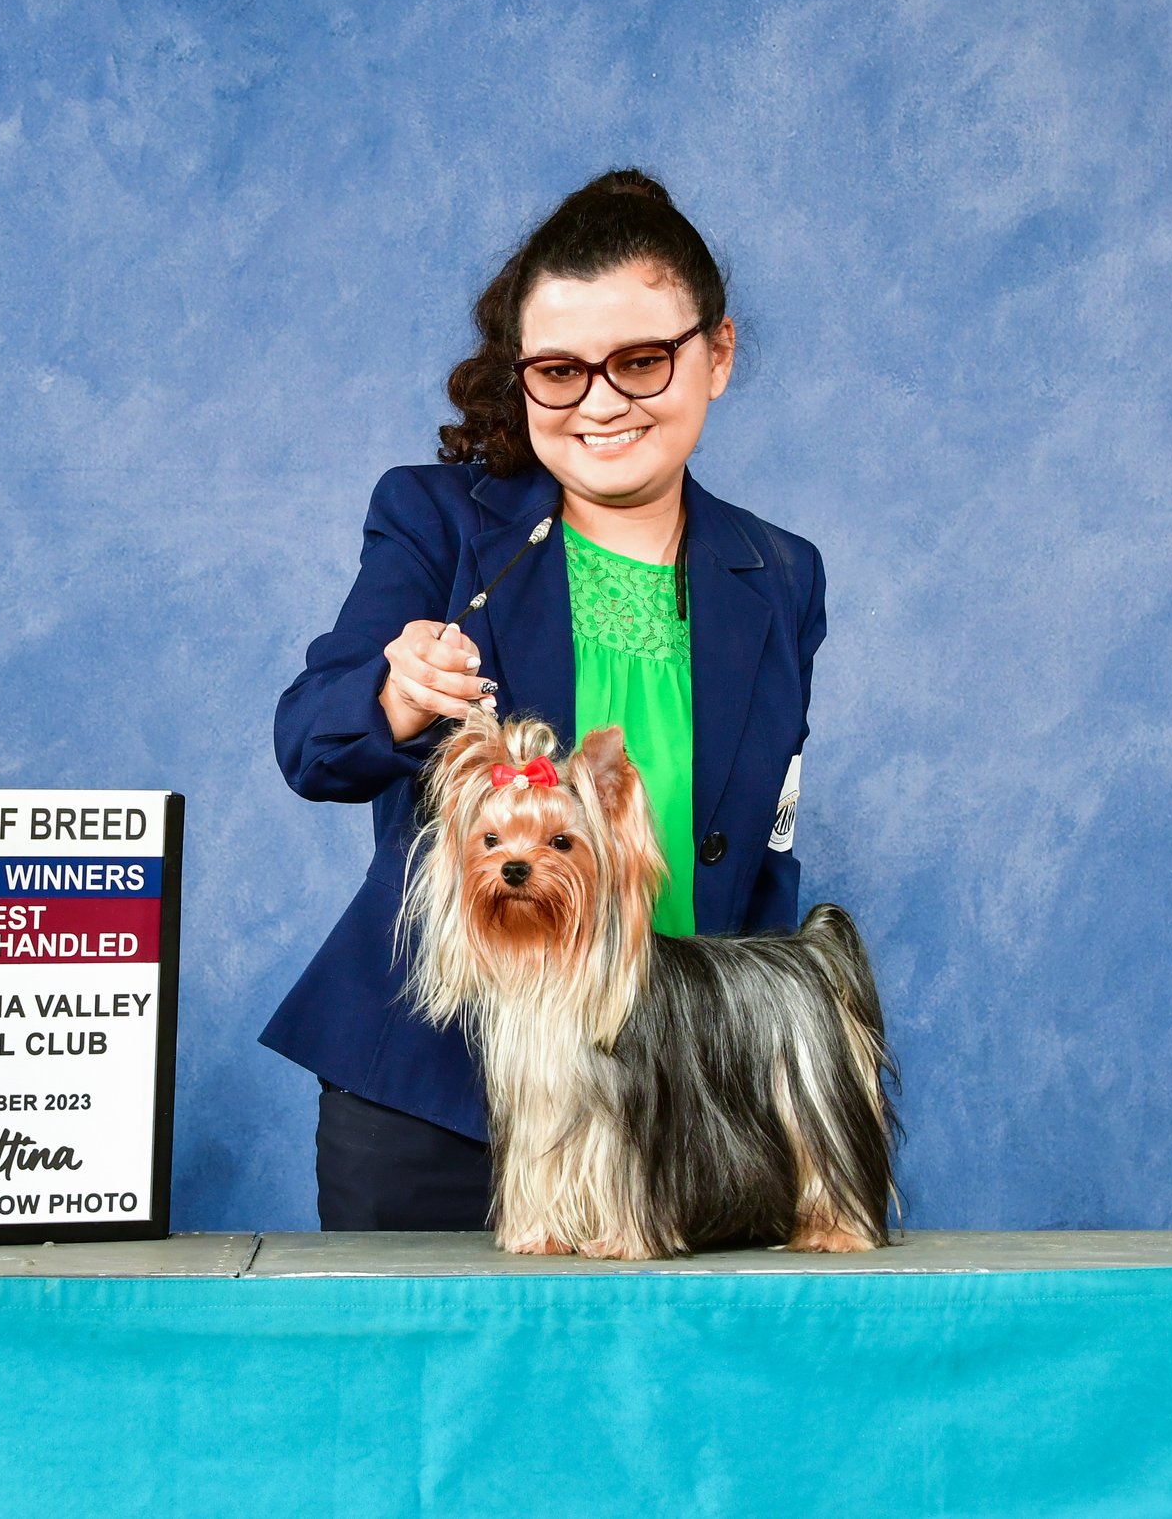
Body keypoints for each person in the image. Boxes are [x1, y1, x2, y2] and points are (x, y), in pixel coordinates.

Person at [264, 170, 826, 1230]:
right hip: (434, 1098)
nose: (601, 402)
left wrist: (763, 1064)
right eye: (561, 370)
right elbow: (309, 740)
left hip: (677, 1095)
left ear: (718, 353)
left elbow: (763, 849)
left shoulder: (781, 573)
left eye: (642, 360)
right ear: (519, 377)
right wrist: (391, 696)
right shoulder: (437, 520)